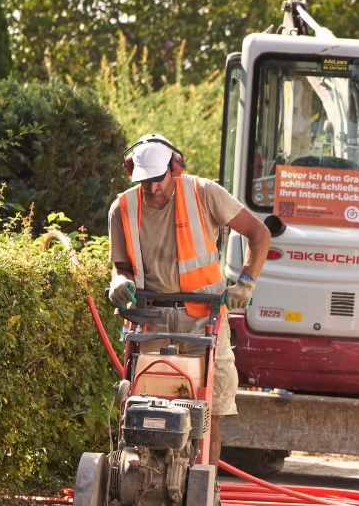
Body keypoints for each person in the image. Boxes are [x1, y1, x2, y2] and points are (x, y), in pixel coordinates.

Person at [107, 134, 271, 467]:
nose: (152, 188)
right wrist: (119, 282)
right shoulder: (122, 208)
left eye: (158, 178)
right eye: (144, 180)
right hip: (150, 320)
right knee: (145, 408)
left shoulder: (204, 193)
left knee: (208, 412)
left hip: (204, 319)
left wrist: (246, 282)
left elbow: (259, 233)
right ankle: (146, 478)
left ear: (175, 168)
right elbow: (121, 266)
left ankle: (203, 482)